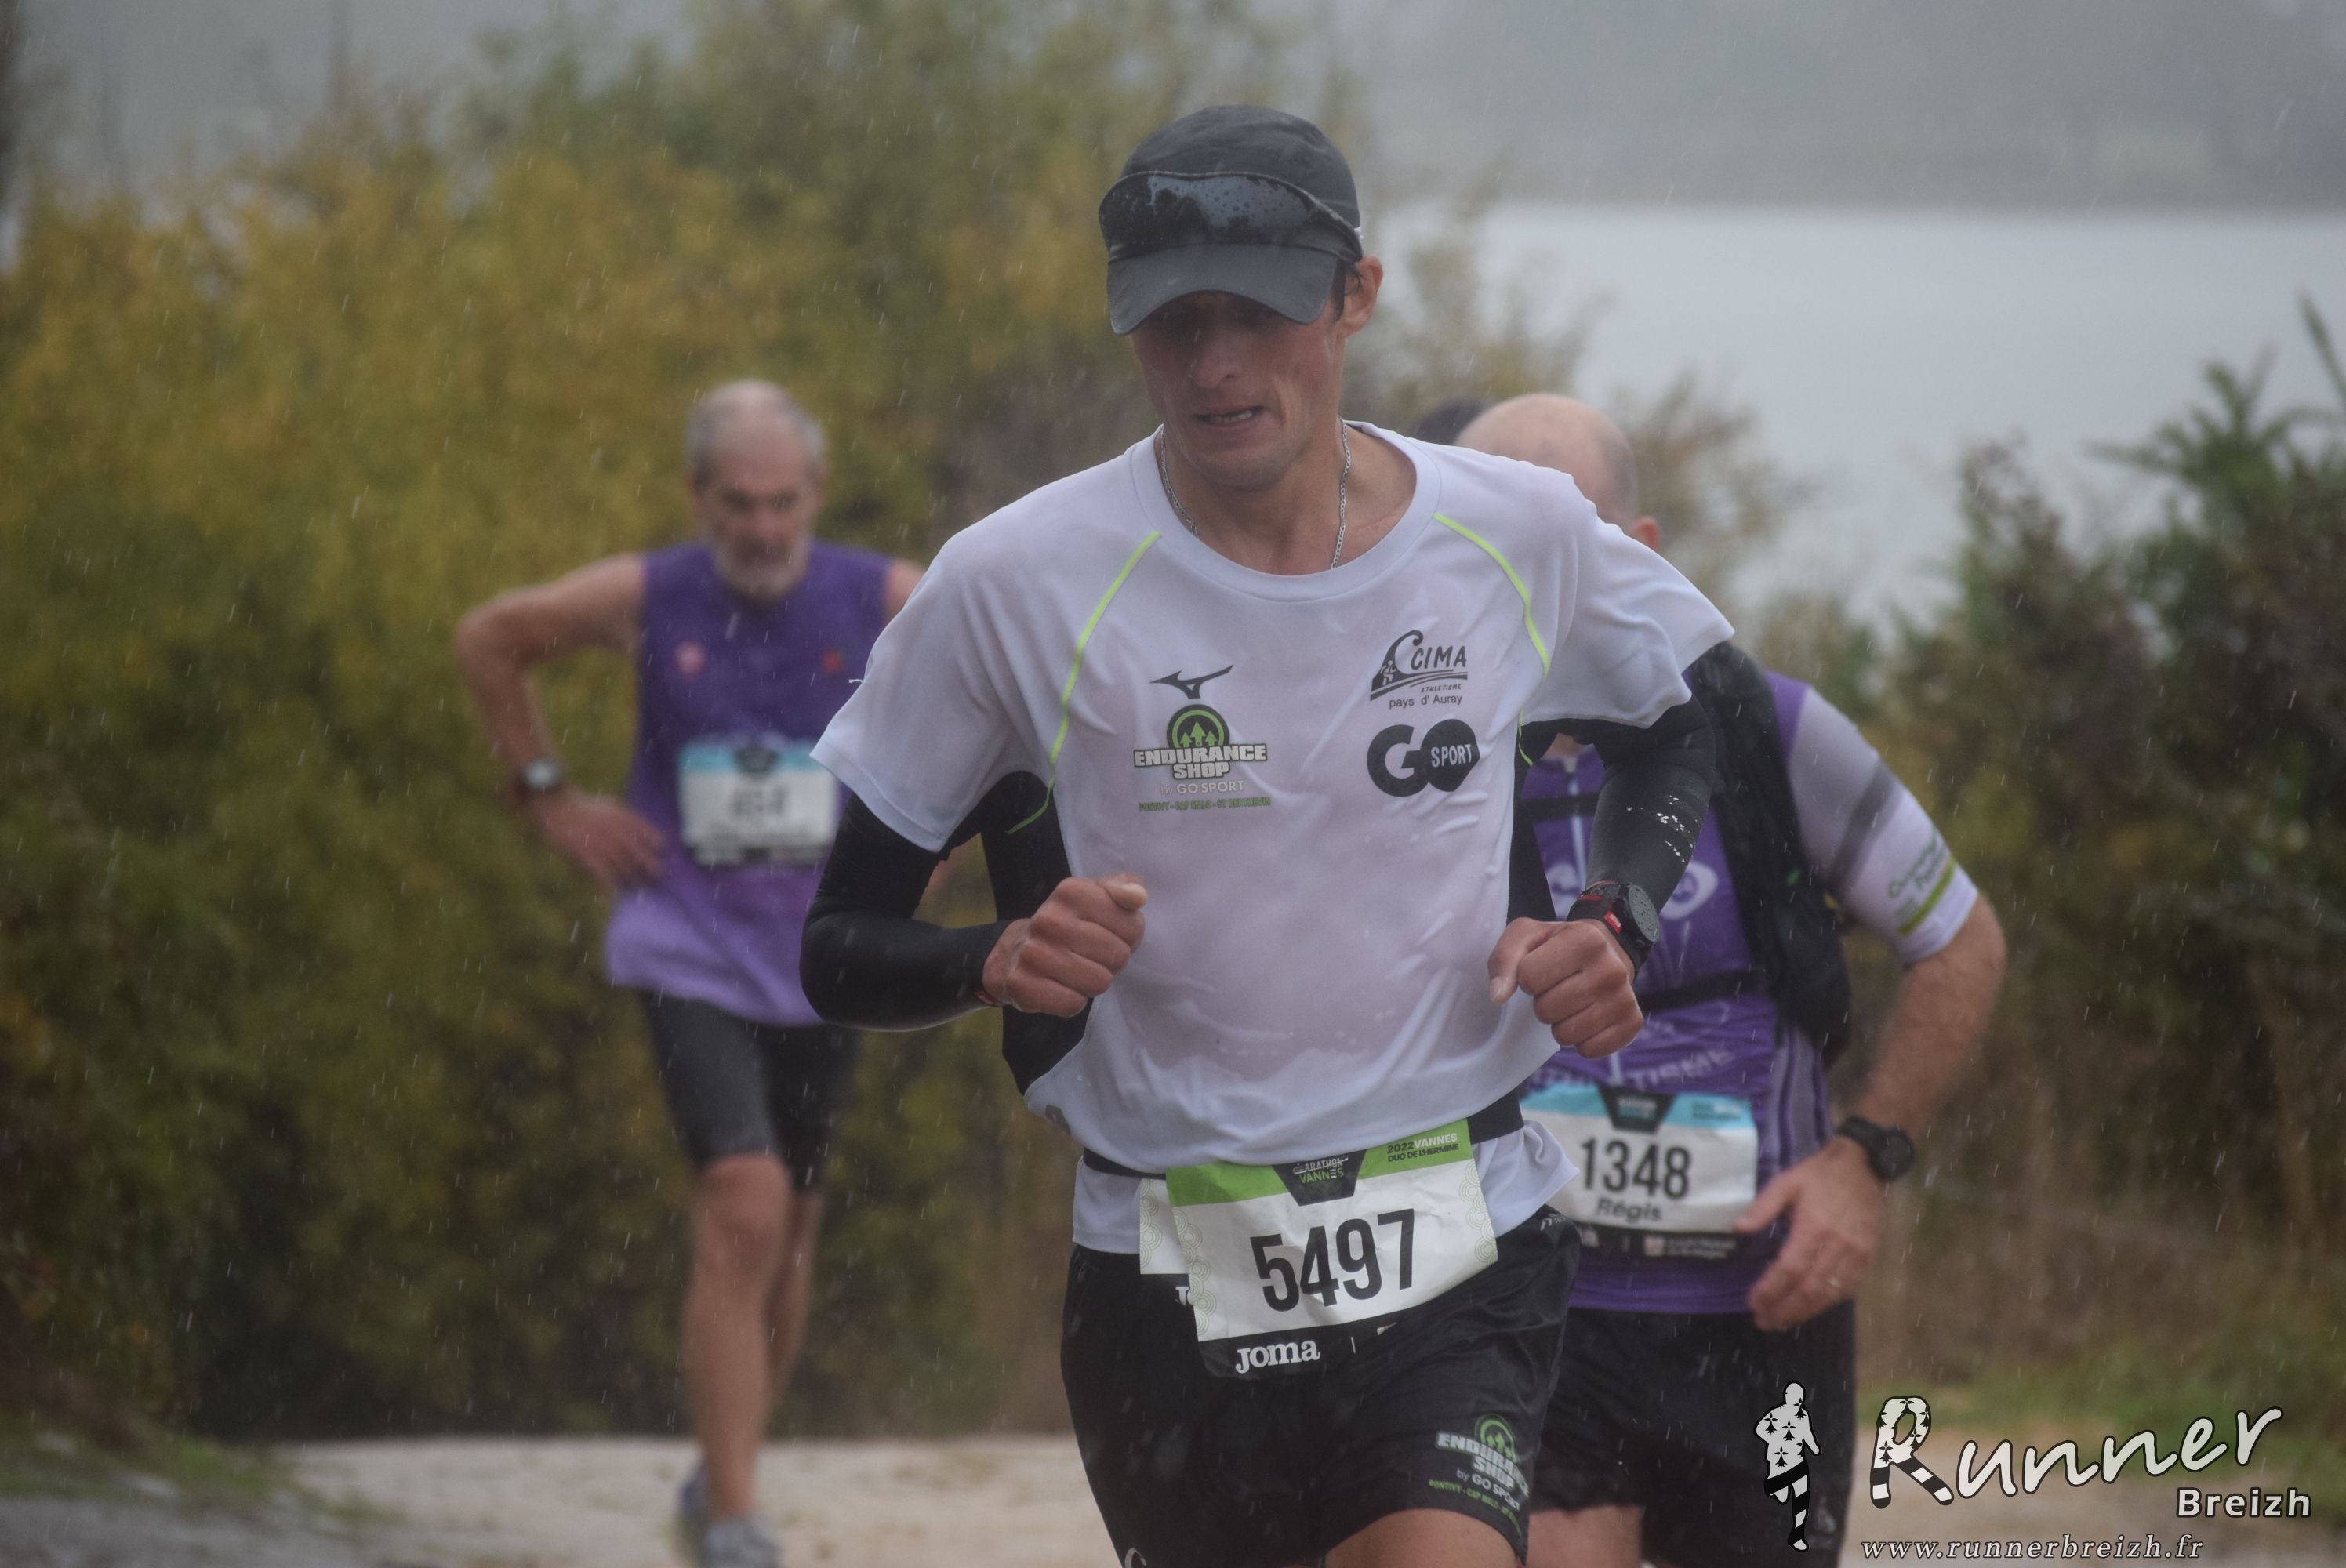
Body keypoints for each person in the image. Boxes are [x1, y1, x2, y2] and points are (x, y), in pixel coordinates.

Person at [797, 107, 1735, 1568]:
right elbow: (837, 950)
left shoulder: (1519, 532)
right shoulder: (1013, 583)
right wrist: (995, 959)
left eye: (1256, 314)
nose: (1214, 366)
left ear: (1355, 296)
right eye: (1173, 323)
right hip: (1165, 1272)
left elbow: (1688, 720)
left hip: (1459, 1244)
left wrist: (1614, 916)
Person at [1456, 394, 2007, 1568]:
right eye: (1478, 545)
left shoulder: (1772, 731)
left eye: (1551, 544)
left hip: (1765, 1318)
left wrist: (1864, 1164)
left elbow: (1963, 942)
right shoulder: (1427, 766)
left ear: (1637, 552)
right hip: (1535, 1311)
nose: (1511, 580)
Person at [452, 382, 920, 1568]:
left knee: (793, 1229)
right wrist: (549, 798)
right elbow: (489, 638)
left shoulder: (883, 598)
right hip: (687, 938)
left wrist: (944, 833)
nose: (761, 527)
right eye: (738, 504)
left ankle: (722, 1469)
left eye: (781, 502)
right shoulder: (650, 594)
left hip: (823, 951)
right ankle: (736, 1519)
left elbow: (1022, 679)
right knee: (744, 1202)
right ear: (698, 497)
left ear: (817, 493)